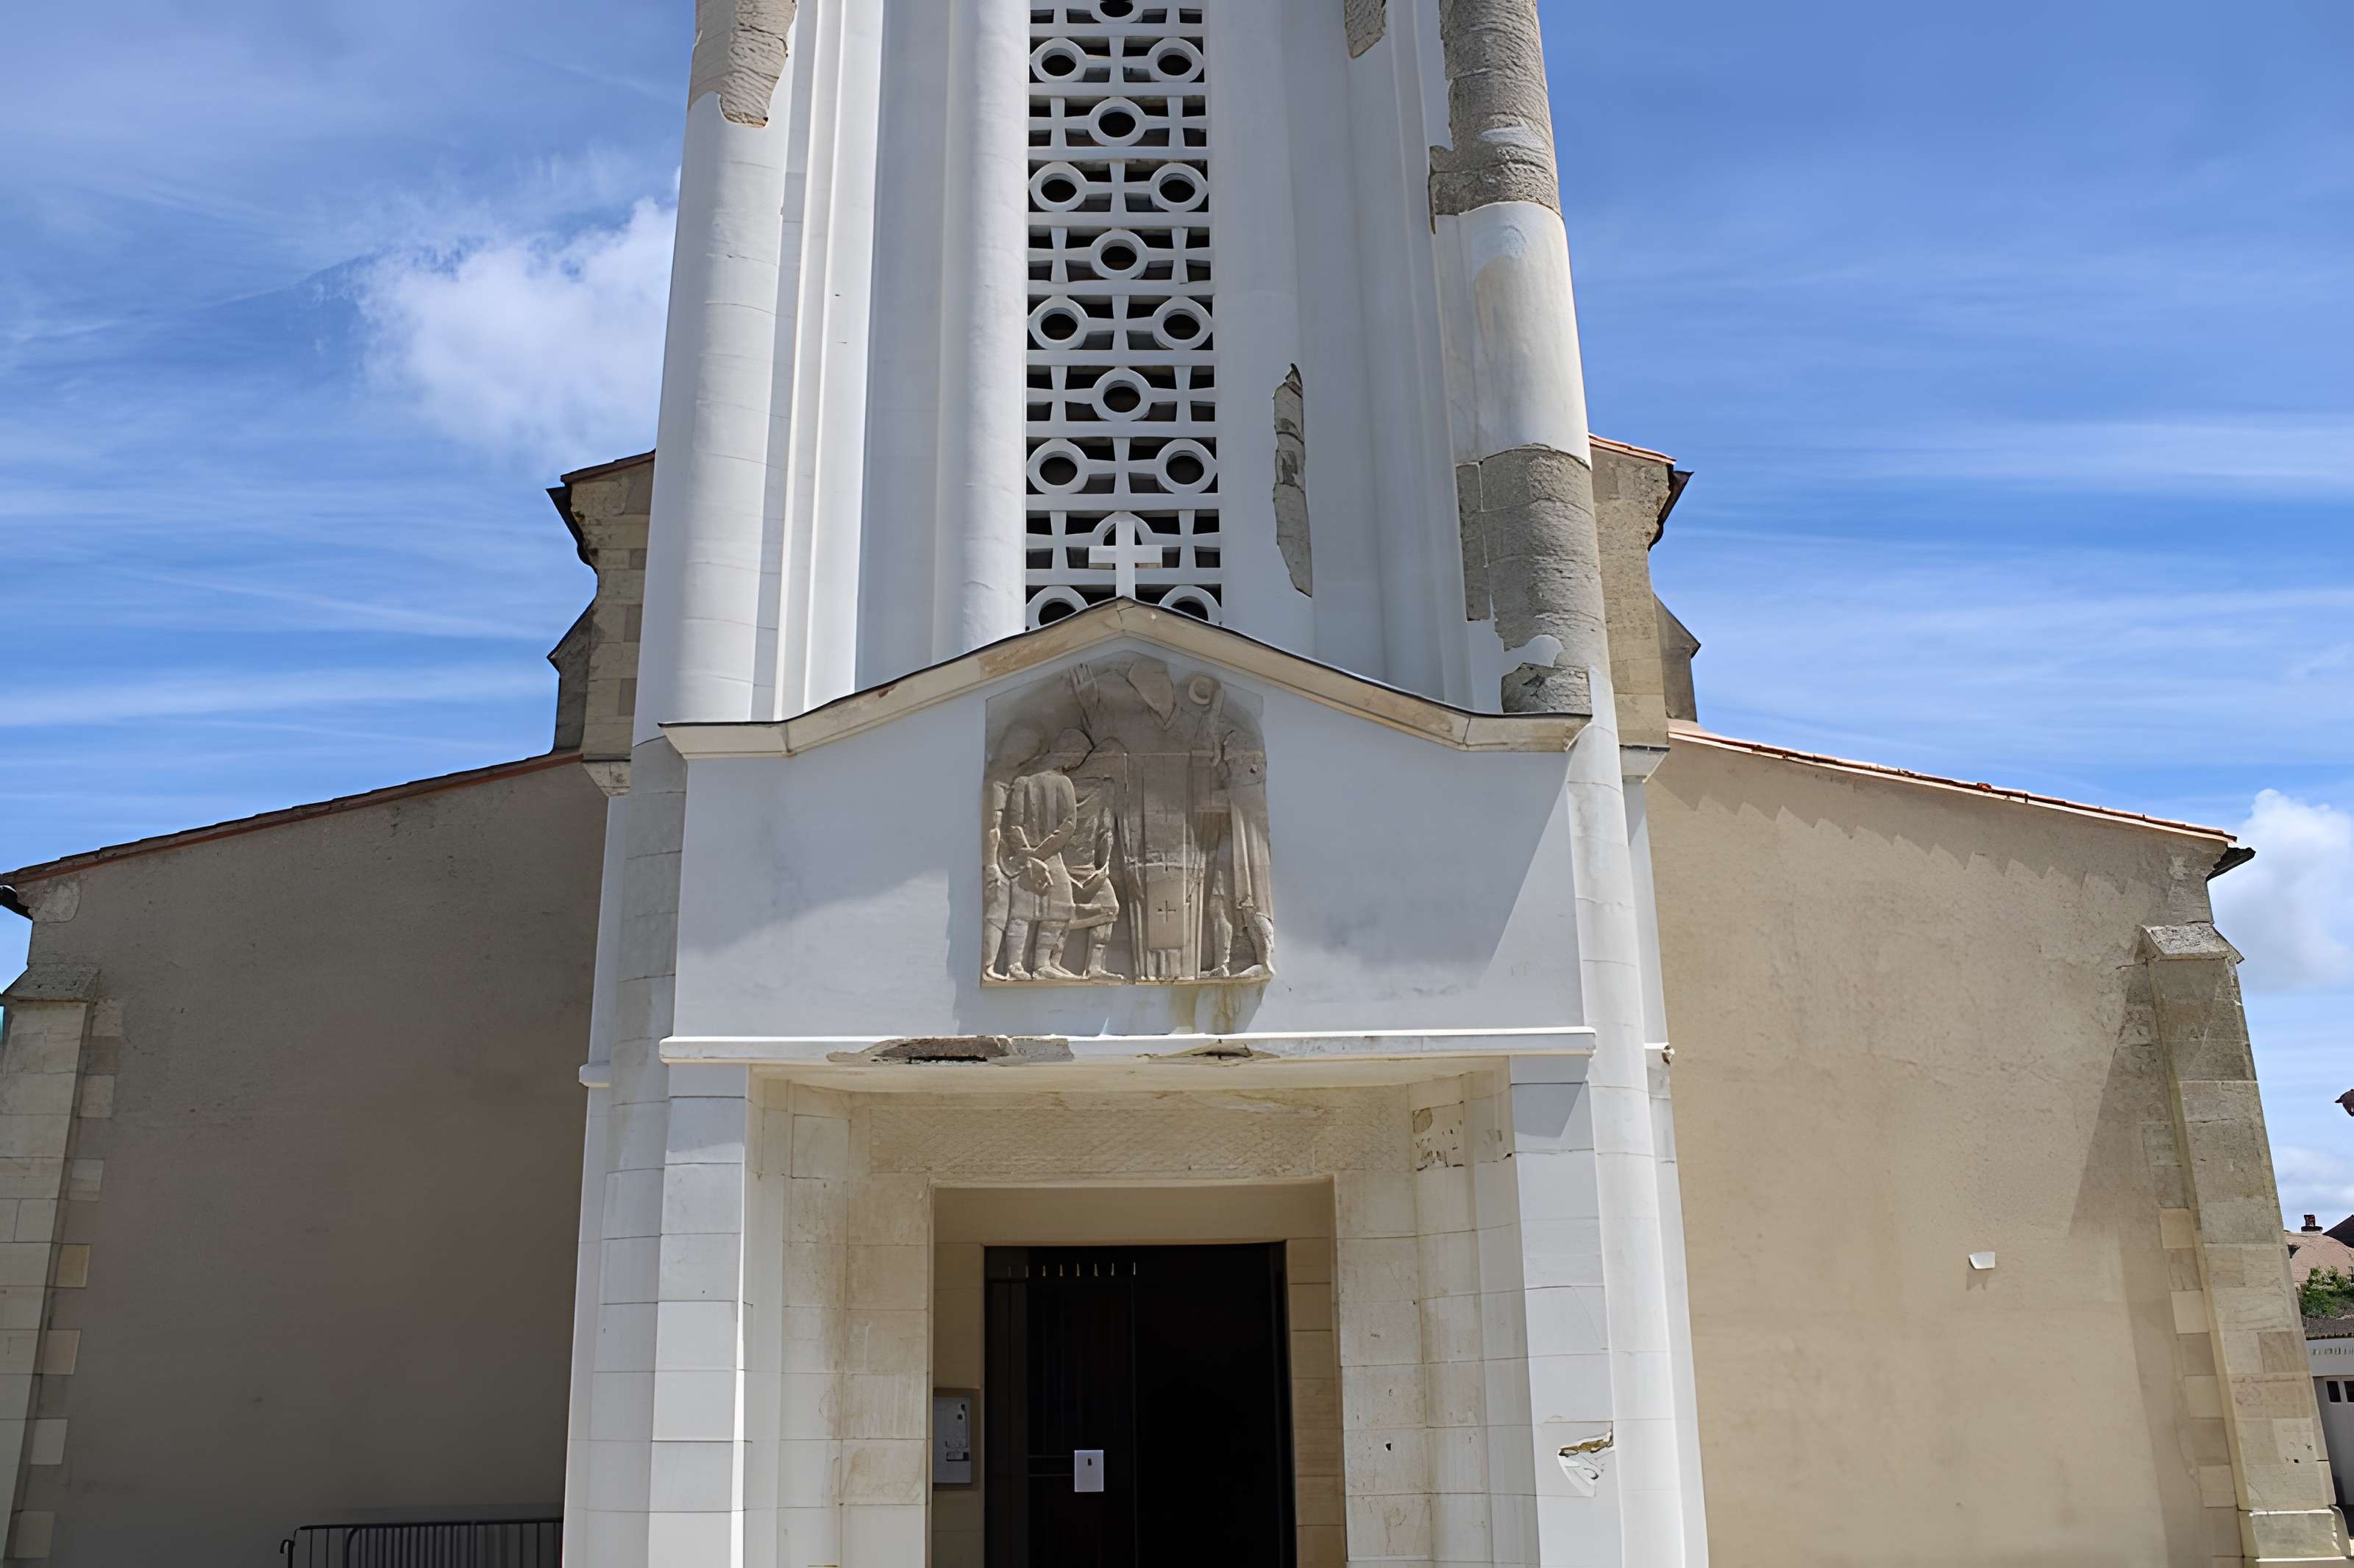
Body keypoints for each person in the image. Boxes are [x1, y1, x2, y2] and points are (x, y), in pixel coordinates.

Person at [997, 728, 1094, 980]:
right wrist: (1038, 855)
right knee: (1030, 910)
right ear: (1069, 753)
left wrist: (1029, 854)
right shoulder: (1062, 783)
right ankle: (1020, 964)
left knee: (1058, 908)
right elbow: (1068, 824)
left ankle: (1036, 965)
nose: (1076, 763)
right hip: (1044, 855)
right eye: (1078, 757)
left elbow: (1014, 825)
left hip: (1029, 856)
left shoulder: (1022, 781)